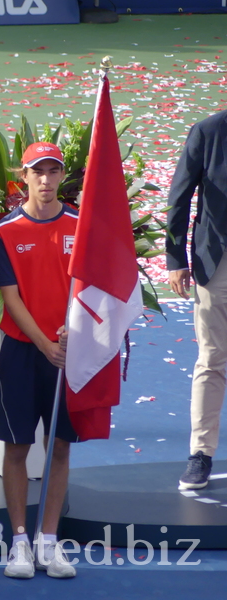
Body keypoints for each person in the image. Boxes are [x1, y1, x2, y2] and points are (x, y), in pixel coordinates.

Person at [0, 142, 79, 579]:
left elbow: (91, 288)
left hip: (69, 352)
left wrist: (73, 337)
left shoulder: (81, 225)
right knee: (18, 447)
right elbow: (9, 297)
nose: (45, 180)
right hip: (24, 351)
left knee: (59, 447)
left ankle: (49, 541)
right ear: (23, 177)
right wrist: (45, 344)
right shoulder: (5, 231)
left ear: (62, 176)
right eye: (37, 172)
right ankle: (20, 542)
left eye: (53, 171)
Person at [166, 110, 227, 491]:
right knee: (212, 359)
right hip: (215, 265)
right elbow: (181, 195)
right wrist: (176, 260)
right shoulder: (208, 131)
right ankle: (201, 454)